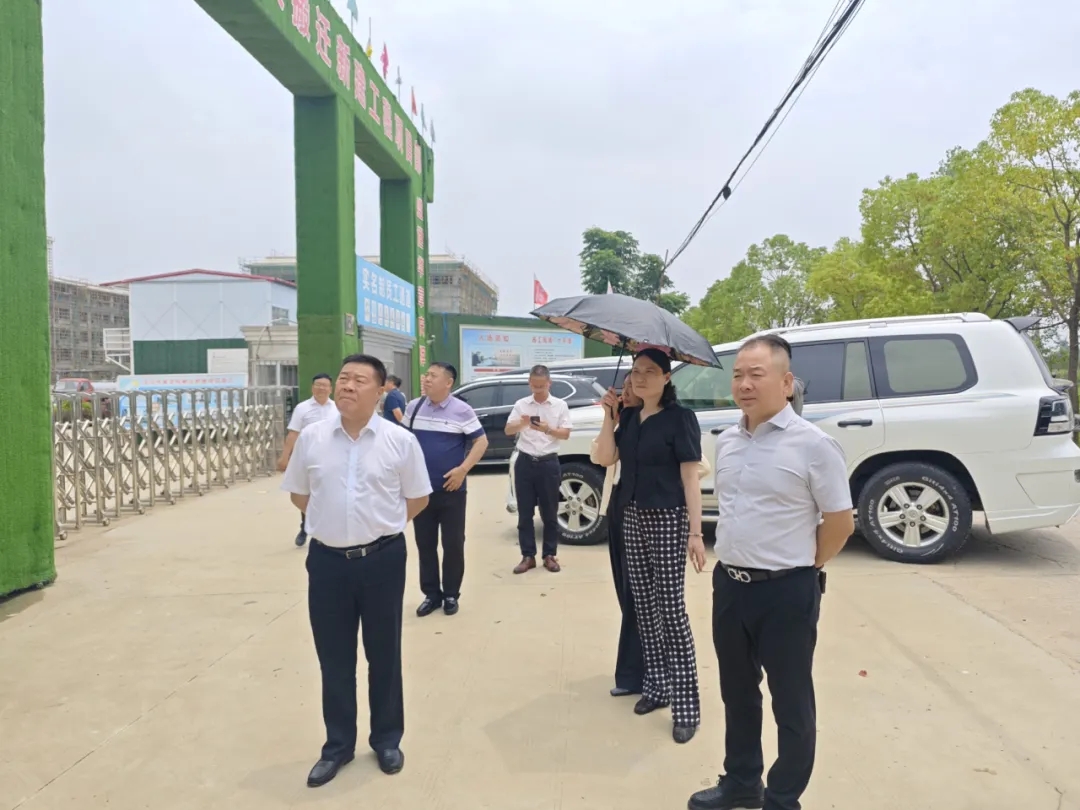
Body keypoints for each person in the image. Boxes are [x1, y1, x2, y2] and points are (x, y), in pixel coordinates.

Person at [687, 335, 854, 810]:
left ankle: (782, 799)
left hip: (786, 591)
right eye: (738, 375)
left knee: (791, 701)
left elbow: (840, 523)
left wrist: (805, 567)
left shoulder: (814, 445)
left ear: (785, 382)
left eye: (756, 375)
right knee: (737, 693)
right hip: (731, 585)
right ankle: (742, 782)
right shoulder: (727, 441)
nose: (744, 384)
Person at [281, 354, 432, 788]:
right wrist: (334, 524)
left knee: (384, 654)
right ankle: (338, 746)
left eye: (359, 380)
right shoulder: (312, 437)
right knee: (334, 658)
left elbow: (418, 498)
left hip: (383, 559)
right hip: (327, 562)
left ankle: (386, 739)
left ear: (381, 390)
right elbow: (299, 494)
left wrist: (378, 527)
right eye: (343, 377)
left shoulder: (400, 441)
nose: (347, 385)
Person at [595, 347, 707, 744]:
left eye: (650, 371)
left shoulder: (681, 419)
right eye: (636, 371)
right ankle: (657, 687)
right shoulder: (629, 416)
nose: (640, 378)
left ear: (667, 378)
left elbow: (691, 478)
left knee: (671, 610)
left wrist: (696, 533)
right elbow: (606, 458)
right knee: (642, 606)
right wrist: (609, 417)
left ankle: (686, 706)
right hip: (630, 515)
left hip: (668, 518)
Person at [404, 362, 489, 617]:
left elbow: (481, 441)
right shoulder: (414, 407)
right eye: (426, 375)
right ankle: (431, 594)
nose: (426, 379)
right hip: (420, 492)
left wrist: (463, 469)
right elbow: (402, 442)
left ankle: (451, 593)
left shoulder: (462, 410)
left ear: (448, 382)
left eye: (433, 375)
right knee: (425, 544)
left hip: (452, 491)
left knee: (453, 544)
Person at [590, 375, 645, 698]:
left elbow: (698, 466)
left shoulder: (660, 421)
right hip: (618, 509)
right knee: (626, 592)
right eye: (626, 385)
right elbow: (601, 457)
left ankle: (635, 672)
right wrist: (609, 418)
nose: (628, 391)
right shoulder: (623, 421)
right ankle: (636, 669)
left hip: (646, 514)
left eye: (636, 383)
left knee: (639, 596)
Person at [505, 364, 573, 574]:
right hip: (525, 462)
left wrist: (547, 429)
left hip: (548, 462)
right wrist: (522, 423)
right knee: (524, 513)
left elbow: (565, 434)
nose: (537, 390)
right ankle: (528, 556)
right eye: (534, 386)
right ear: (529, 383)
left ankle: (549, 555)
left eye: (541, 386)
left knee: (550, 512)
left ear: (549, 383)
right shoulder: (521, 404)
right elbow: (508, 430)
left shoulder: (560, 405)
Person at [277, 373, 337, 547]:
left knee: (329, 491)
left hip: (333, 458)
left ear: (331, 389)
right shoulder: (302, 408)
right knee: (306, 492)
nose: (321, 388)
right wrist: (285, 457)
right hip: (308, 459)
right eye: (318, 385)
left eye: (325, 385)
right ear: (312, 387)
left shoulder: (337, 408)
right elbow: (293, 433)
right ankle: (305, 526)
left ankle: (327, 526)